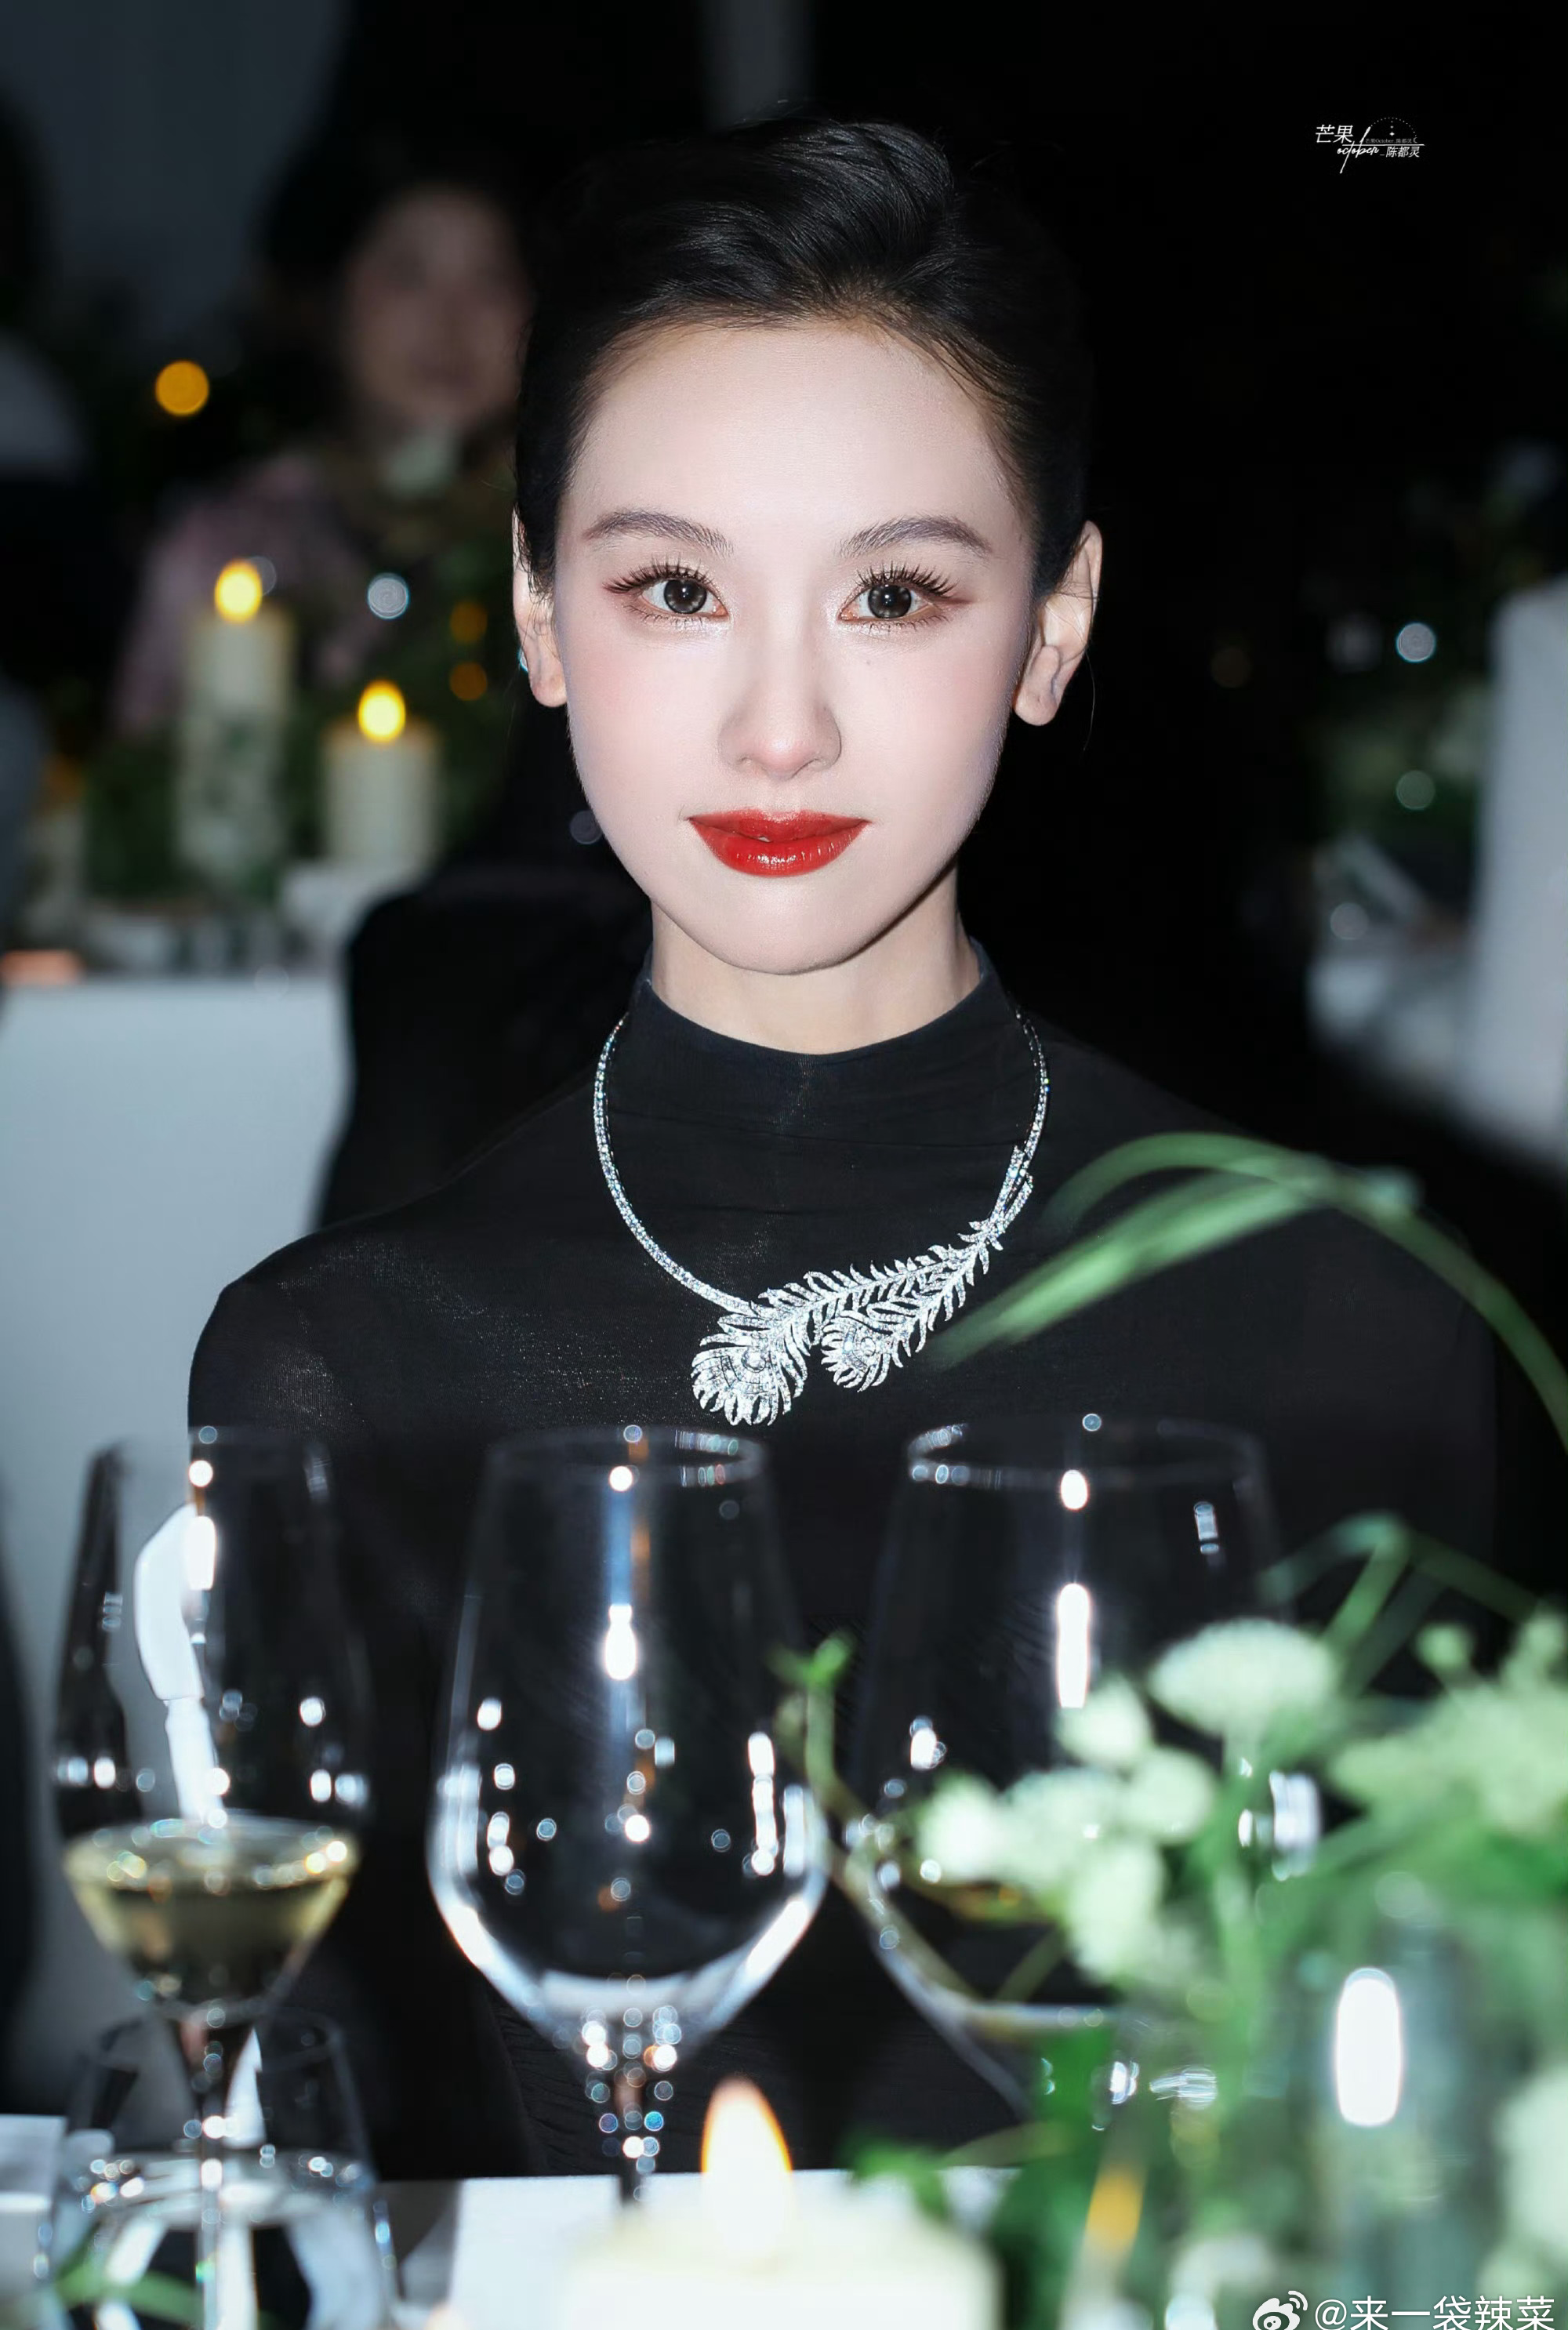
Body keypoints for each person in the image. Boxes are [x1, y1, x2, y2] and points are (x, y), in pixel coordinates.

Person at [190, 117, 1494, 2180]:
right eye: (675, 589)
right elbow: (335, 2198)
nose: (777, 727)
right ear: (540, 616)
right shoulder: (339, 1374)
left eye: (893, 593)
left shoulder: (1348, 1323)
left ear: (1051, 626)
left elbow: (1429, 2159)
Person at [111, 139, 534, 737]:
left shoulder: (563, 538)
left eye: (489, 281)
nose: (450, 320)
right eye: (408, 275)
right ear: (333, 300)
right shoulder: (231, 542)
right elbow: (142, 762)